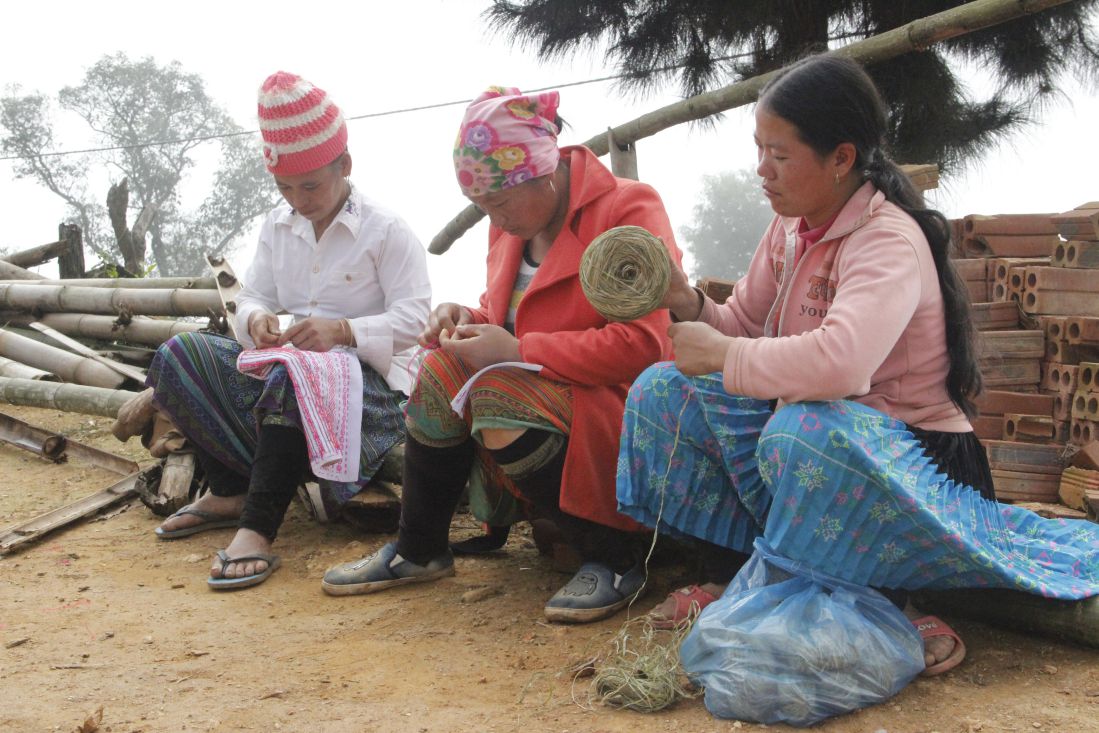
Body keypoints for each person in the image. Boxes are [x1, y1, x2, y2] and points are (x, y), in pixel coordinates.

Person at [616, 54, 1099, 673]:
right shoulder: (790, 228)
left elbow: (843, 366)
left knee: (800, 430)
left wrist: (728, 355)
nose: (762, 171)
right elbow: (740, 325)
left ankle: (893, 597)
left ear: (841, 158)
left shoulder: (886, 239)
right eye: (758, 150)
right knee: (664, 392)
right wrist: (688, 304)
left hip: (913, 461)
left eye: (780, 155)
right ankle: (738, 569)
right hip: (821, 445)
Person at [322, 86, 682, 623]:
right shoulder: (514, 225)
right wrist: (466, 320)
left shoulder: (626, 208)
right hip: (547, 394)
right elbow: (503, 312)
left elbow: (646, 345)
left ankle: (615, 555)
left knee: (497, 392)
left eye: (499, 201)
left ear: (543, 171)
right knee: (441, 368)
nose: (493, 216)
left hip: (621, 406)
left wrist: (517, 350)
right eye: (481, 206)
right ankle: (420, 548)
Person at [148, 71, 431, 590]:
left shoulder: (386, 230)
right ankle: (232, 489)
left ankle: (256, 530)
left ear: (344, 165)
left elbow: (418, 321)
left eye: (310, 185)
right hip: (294, 381)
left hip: (373, 397)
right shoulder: (277, 225)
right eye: (284, 187)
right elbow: (253, 297)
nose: (298, 200)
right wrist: (255, 320)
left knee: (296, 374)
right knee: (178, 354)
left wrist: (343, 331)